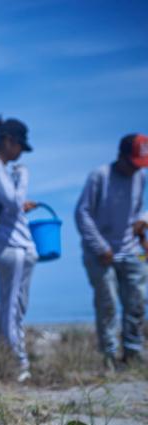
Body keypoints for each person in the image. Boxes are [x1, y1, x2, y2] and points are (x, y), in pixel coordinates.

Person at [75, 133, 148, 370]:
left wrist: (143, 224)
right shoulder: (100, 176)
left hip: (130, 249)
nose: (135, 170)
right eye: (132, 164)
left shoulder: (141, 177)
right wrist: (100, 246)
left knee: (137, 299)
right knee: (107, 302)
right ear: (120, 156)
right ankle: (109, 355)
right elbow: (82, 213)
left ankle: (133, 352)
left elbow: (137, 210)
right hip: (100, 252)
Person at [0, 116, 40, 382]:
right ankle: (20, 365)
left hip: (13, 246)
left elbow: (11, 206)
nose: (20, 154)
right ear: (7, 141)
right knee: (12, 307)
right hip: (9, 247)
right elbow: (13, 202)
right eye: (19, 146)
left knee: (7, 305)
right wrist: (24, 177)